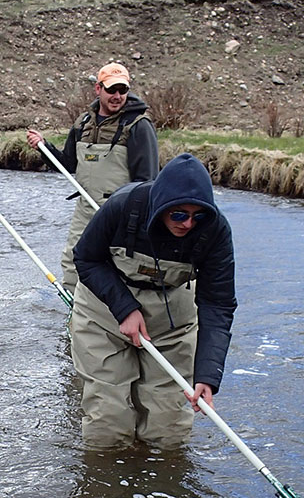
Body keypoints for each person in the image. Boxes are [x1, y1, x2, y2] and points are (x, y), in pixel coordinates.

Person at [70, 152, 236, 446]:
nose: (188, 225)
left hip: (172, 320)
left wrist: (207, 376)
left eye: (197, 216)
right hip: (104, 313)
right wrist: (125, 309)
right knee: (107, 423)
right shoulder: (122, 207)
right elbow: (85, 258)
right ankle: (108, 486)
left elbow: (217, 305)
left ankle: (159, 484)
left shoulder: (216, 231)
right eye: (179, 215)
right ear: (161, 206)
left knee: (168, 429)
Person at [25, 62, 161, 293]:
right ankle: (75, 313)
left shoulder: (139, 126)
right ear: (98, 89)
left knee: (115, 266)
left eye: (123, 90)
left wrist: (135, 221)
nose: (117, 96)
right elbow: (67, 165)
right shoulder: (83, 123)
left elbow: (147, 181)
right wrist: (44, 147)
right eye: (111, 90)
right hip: (85, 209)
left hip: (120, 212)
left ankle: (113, 314)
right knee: (73, 261)